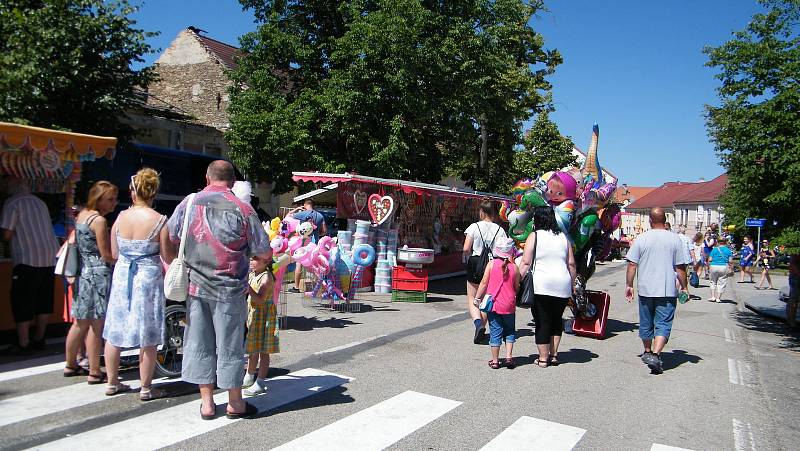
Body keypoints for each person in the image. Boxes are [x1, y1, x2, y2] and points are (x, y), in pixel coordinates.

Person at [166, 160, 271, 420]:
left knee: (199, 342)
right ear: (233, 181)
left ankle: (207, 403)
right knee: (230, 345)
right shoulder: (243, 209)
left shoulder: (188, 203)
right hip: (231, 289)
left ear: (207, 177)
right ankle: (235, 402)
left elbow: (170, 235)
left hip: (196, 286)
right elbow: (264, 250)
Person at [103, 169, 171, 399]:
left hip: (123, 275)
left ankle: (112, 382)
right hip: (148, 277)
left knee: (115, 329)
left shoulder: (121, 217)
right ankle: (146, 387)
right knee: (148, 332)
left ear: (134, 191)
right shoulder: (160, 220)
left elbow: (113, 253)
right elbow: (168, 256)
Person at [625, 208, 689, 374]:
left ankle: (647, 351)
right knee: (663, 322)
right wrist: (685, 286)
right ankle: (655, 353)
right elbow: (680, 267)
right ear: (665, 219)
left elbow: (632, 264)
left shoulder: (641, 239)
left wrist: (629, 285)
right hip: (667, 289)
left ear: (650, 221)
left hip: (646, 288)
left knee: (646, 320)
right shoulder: (675, 239)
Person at [0, 176, 60, 354]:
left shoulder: (12, 203)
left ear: (11, 186)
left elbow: (7, 235)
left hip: (27, 258)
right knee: (43, 299)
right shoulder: (39, 203)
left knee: (22, 300)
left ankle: (23, 342)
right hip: (49, 258)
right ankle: (39, 338)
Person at [67, 181, 118, 383]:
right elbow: (105, 254)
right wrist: (119, 260)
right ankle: (95, 370)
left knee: (79, 322)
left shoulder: (81, 216)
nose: (114, 203)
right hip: (98, 275)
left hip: (83, 273)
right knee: (97, 325)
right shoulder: (99, 221)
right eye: (110, 199)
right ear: (100, 200)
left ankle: (70, 364)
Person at [518, 206, 576, 368]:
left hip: (541, 284)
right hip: (562, 284)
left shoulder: (535, 236)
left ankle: (543, 358)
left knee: (542, 321)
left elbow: (526, 262)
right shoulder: (564, 238)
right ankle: (554, 354)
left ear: (537, 219)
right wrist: (571, 285)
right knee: (556, 320)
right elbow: (571, 264)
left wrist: (517, 281)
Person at [462, 200, 508, 344]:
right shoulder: (500, 230)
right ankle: (482, 327)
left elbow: (466, 248)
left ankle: (478, 325)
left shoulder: (474, 227)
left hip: (476, 263)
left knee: (472, 297)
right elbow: (505, 250)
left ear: (482, 212)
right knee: (487, 298)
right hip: (493, 264)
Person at [474, 238, 519, 369]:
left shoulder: (491, 264)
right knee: (510, 331)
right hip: (509, 305)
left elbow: (483, 282)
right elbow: (517, 287)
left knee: (495, 331)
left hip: (494, 304)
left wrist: (477, 298)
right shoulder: (514, 267)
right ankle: (509, 357)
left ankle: (495, 361)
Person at [242, 254, 284, 395]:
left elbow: (260, 299)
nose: (251, 261)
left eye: (254, 259)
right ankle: (249, 376)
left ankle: (260, 382)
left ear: (265, 261)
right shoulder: (253, 274)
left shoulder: (266, 277)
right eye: (251, 258)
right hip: (255, 316)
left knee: (263, 351)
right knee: (252, 349)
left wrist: (247, 287)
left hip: (264, 317)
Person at [287, 199, 327, 293]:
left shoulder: (302, 214)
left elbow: (288, 216)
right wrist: (317, 233)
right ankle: (322, 286)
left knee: (299, 263)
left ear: (305, 205)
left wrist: (296, 209)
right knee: (315, 266)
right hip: (314, 244)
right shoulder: (320, 215)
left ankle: (296, 287)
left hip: (303, 243)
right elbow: (324, 230)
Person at [706, 236, 734, 303]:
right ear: (725, 242)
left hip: (713, 266)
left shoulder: (714, 249)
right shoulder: (728, 250)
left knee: (712, 281)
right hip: (723, 267)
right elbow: (730, 261)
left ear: (717, 242)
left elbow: (710, 259)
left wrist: (708, 267)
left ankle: (713, 297)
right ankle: (718, 298)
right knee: (722, 282)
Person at [787, 254, 799, 328]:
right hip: (795, 277)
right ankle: (791, 322)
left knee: (794, 300)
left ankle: (790, 321)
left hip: (795, 276)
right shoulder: (795, 252)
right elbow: (793, 264)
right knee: (793, 300)